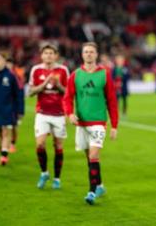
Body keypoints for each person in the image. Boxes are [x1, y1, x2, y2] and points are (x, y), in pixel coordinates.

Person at [63, 42, 118, 205]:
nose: (88, 54)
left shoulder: (105, 74)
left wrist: (114, 125)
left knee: (94, 155)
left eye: (91, 52)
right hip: (81, 123)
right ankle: (99, 185)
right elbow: (67, 97)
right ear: (82, 55)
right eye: (86, 52)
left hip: (98, 122)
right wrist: (70, 113)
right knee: (89, 157)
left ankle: (91, 192)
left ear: (96, 54)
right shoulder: (75, 75)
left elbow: (112, 101)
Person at [28, 42, 69, 189]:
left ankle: (57, 178)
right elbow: (31, 92)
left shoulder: (63, 70)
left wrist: (58, 85)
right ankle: (44, 172)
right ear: (41, 56)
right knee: (40, 144)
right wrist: (44, 83)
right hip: (42, 113)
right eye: (46, 53)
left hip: (59, 113)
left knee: (58, 146)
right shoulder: (36, 70)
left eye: (51, 53)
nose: (48, 56)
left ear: (56, 55)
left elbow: (69, 93)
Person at [6, 57, 25, 153]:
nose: (8, 65)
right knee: (3, 127)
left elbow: (20, 93)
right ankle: (5, 144)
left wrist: (21, 110)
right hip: (3, 105)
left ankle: (12, 143)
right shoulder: (1, 75)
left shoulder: (16, 76)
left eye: (9, 63)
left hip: (13, 106)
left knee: (13, 126)